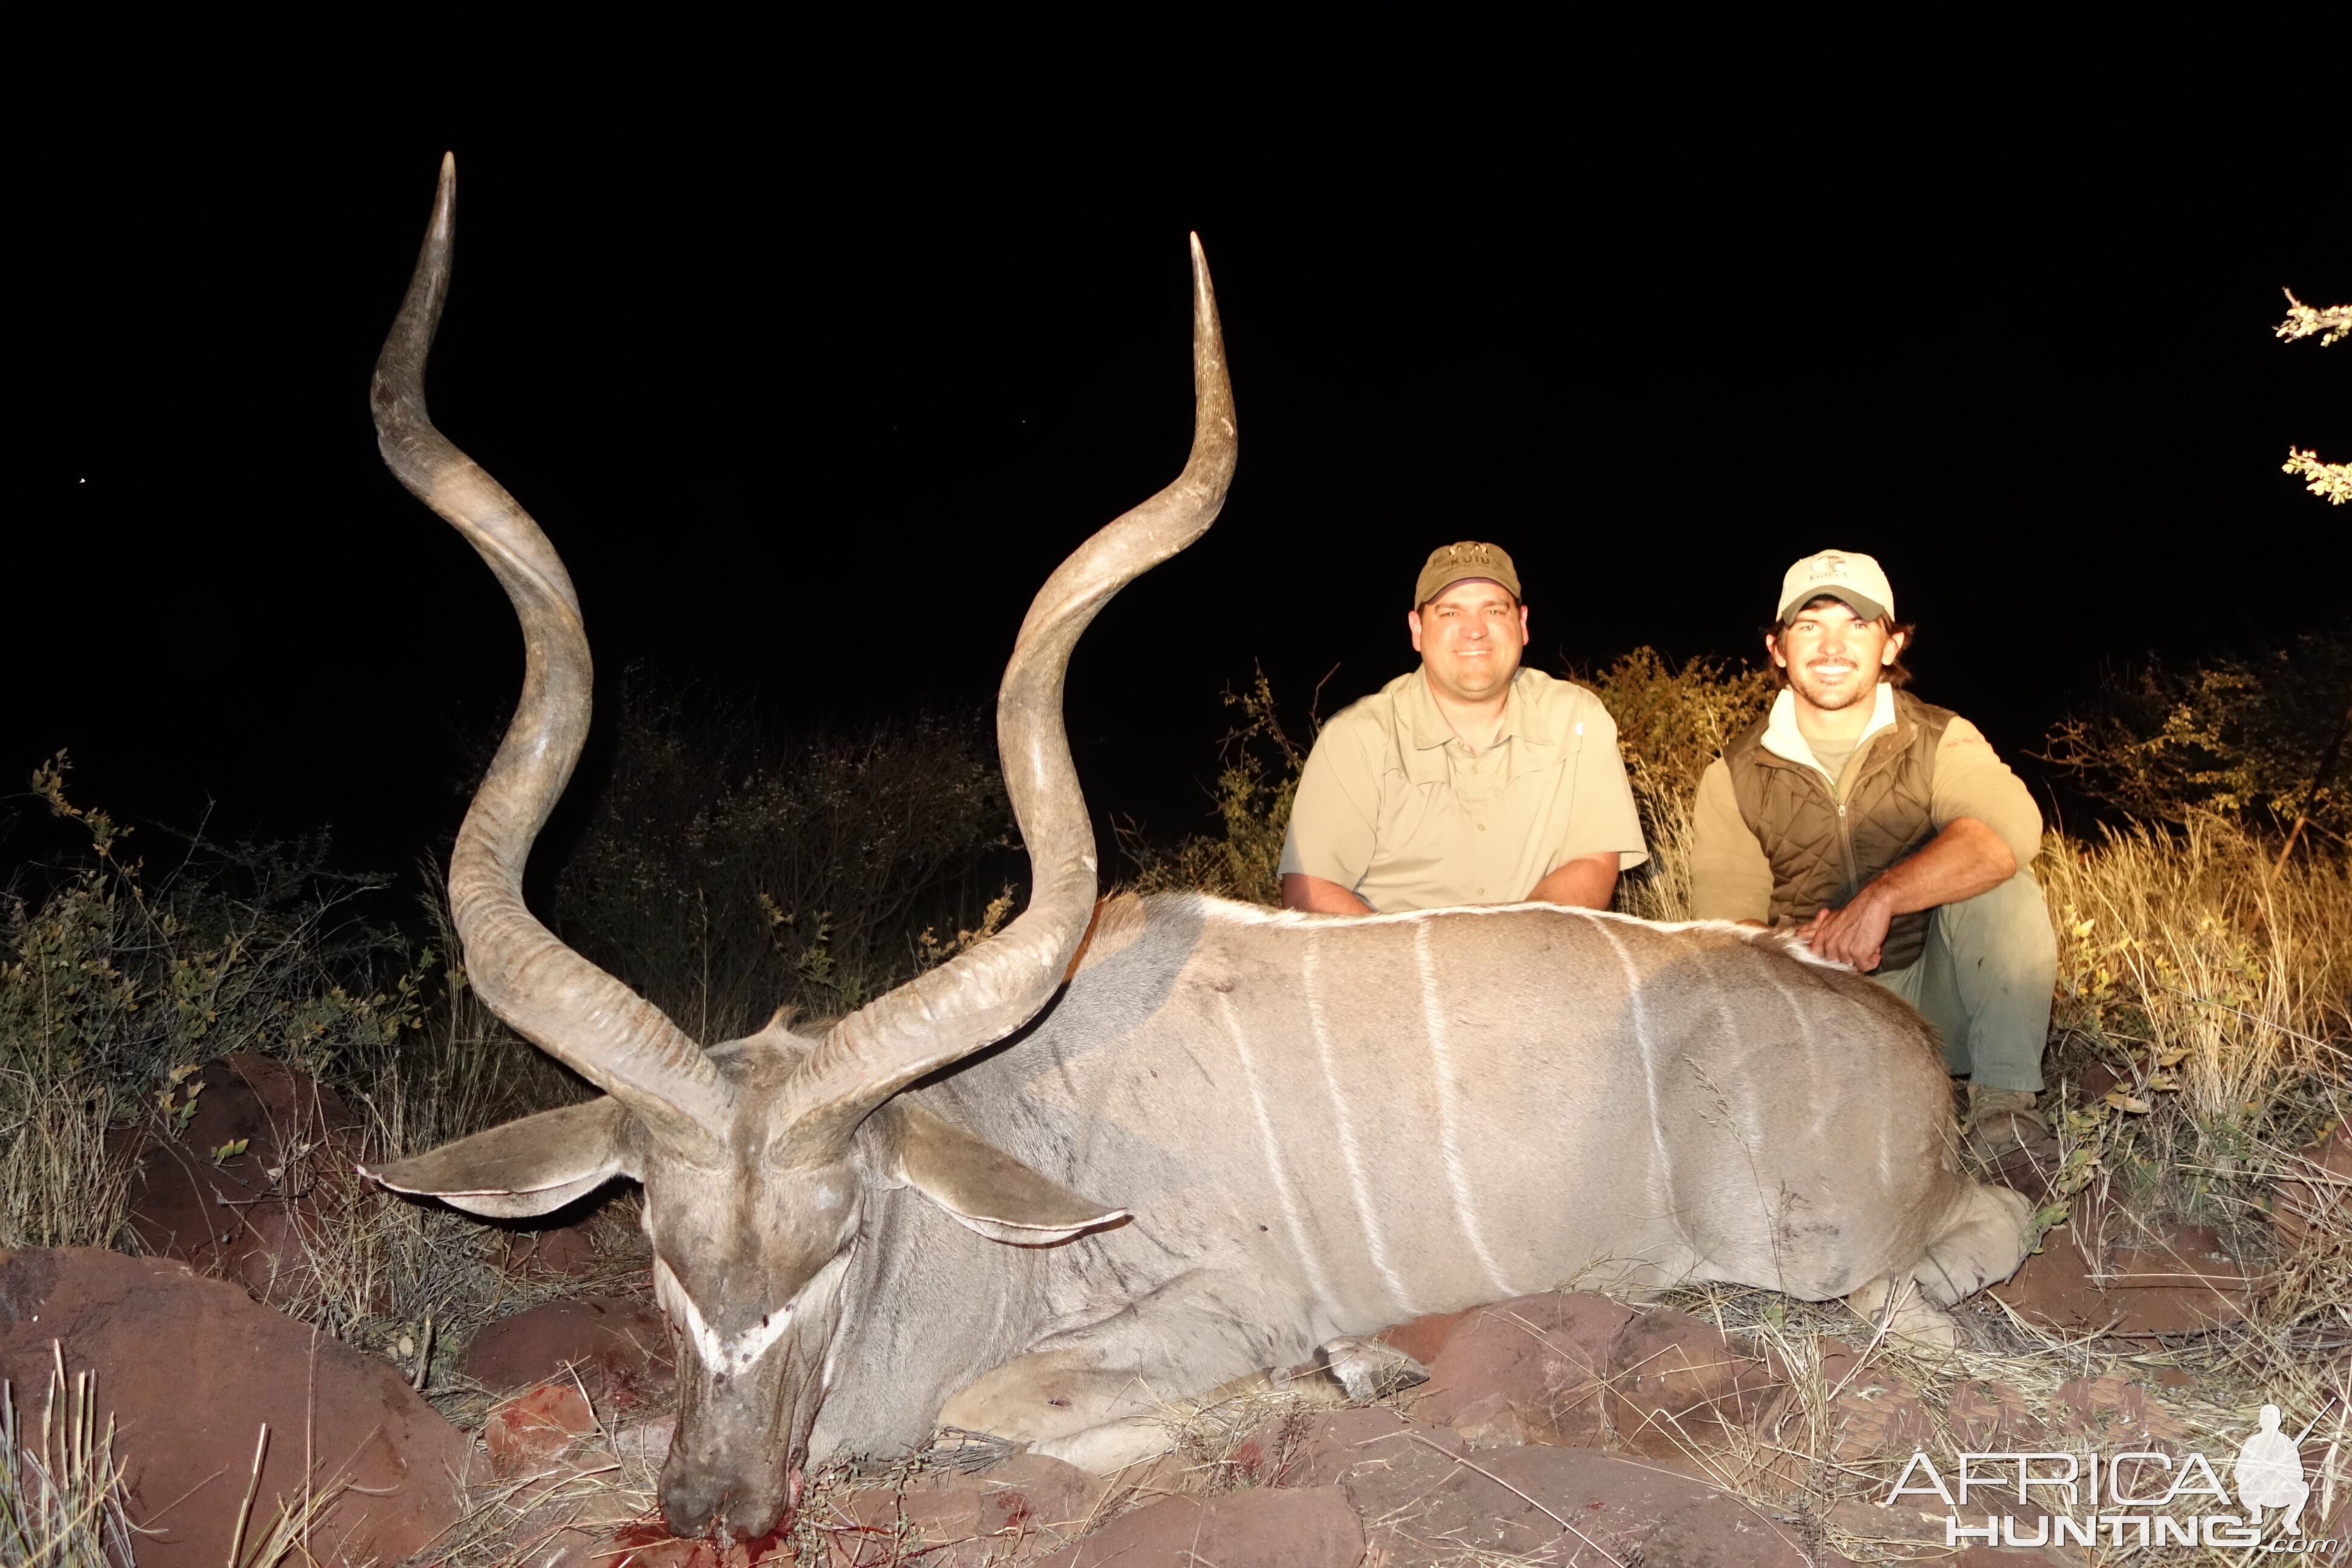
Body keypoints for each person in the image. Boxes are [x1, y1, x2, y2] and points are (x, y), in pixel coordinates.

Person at [1687, 549, 2059, 1159]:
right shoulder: (1731, 775)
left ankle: (2003, 1110)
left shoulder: (1941, 738)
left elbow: (2008, 832)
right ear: (1778, 649)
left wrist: (1881, 898)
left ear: (1892, 644)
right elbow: (1726, 927)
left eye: (1857, 625)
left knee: (2002, 883)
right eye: (1810, 626)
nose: (1832, 648)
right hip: (1817, 1003)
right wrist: (1796, 952)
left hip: (1937, 1004)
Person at [1279, 541, 1647, 914]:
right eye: (1450, 613)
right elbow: (1310, 892)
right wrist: (1415, 968)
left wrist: (1514, 952)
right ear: (1417, 629)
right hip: (1394, 965)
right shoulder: (1356, 738)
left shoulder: (1578, 719)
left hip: (1540, 962)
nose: (1475, 630)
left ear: (1521, 624)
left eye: (1493, 609)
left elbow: (1594, 863)